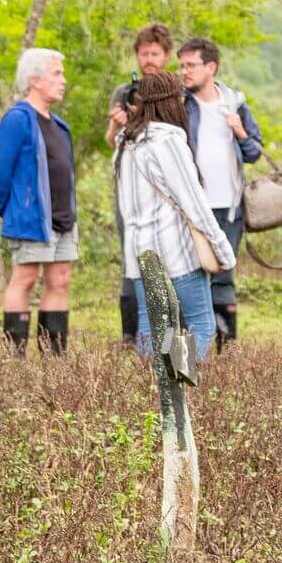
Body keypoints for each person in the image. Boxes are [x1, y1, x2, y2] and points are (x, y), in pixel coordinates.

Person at [114, 70, 237, 362]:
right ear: (172, 102)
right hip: (175, 254)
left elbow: (126, 207)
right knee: (201, 324)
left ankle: (155, 394)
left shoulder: (126, 142)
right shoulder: (167, 141)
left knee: (151, 328)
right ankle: (182, 388)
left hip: (140, 254)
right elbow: (195, 204)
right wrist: (224, 251)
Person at [177, 37, 265, 349]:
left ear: (210, 67)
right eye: (182, 65)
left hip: (229, 206)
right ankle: (190, 349)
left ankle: (227, 349)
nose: (185, 71)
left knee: (224, 275)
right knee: (189, 275)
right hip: (190, 207)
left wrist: (239, 131)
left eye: (191, 65)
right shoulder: (180, 104)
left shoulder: (236, 104)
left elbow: (255, 152)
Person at [0, 47, 76, 356]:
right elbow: (0, 173)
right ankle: (16, 356)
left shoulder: (59, 125)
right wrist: (9, 209)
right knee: (25, 278)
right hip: (31, 216)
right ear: (35, 79)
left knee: (60, 279)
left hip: (63, 216)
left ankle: (55, 356)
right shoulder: (17, 119)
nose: (62, 80)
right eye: (56, 73)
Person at [107, 24, 174, 345]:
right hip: (130, 189)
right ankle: (130, 334)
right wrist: (121, 124)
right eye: (143, 53)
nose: (148, 59)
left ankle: (169, 328)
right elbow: (111, 141)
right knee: (131, 256)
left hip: (165, 189)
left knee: (171, 259)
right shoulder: (125, 92)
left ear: (166, 56)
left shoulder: (174, 91)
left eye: (155, 54)